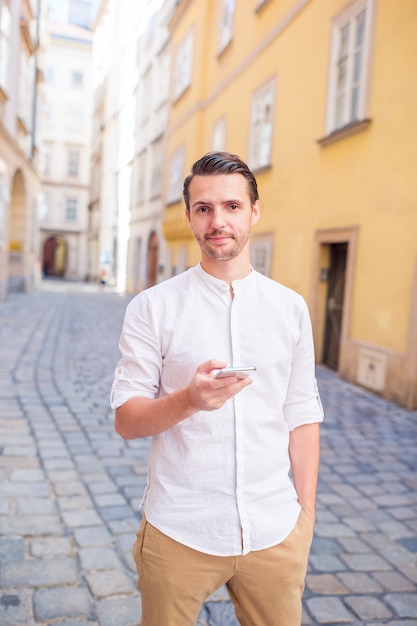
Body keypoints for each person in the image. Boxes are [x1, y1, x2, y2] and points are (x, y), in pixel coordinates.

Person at [110, 151, 324, 626]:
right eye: (204, 208)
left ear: (254, 211)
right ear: (189, 216)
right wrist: (189, 400)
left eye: (231, 206)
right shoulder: (153, 308)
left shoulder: (290, 309)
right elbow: (126, 420)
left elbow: (302, 412)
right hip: (179, 529)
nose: (217, 220)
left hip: (274, 529)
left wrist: (303, 519)